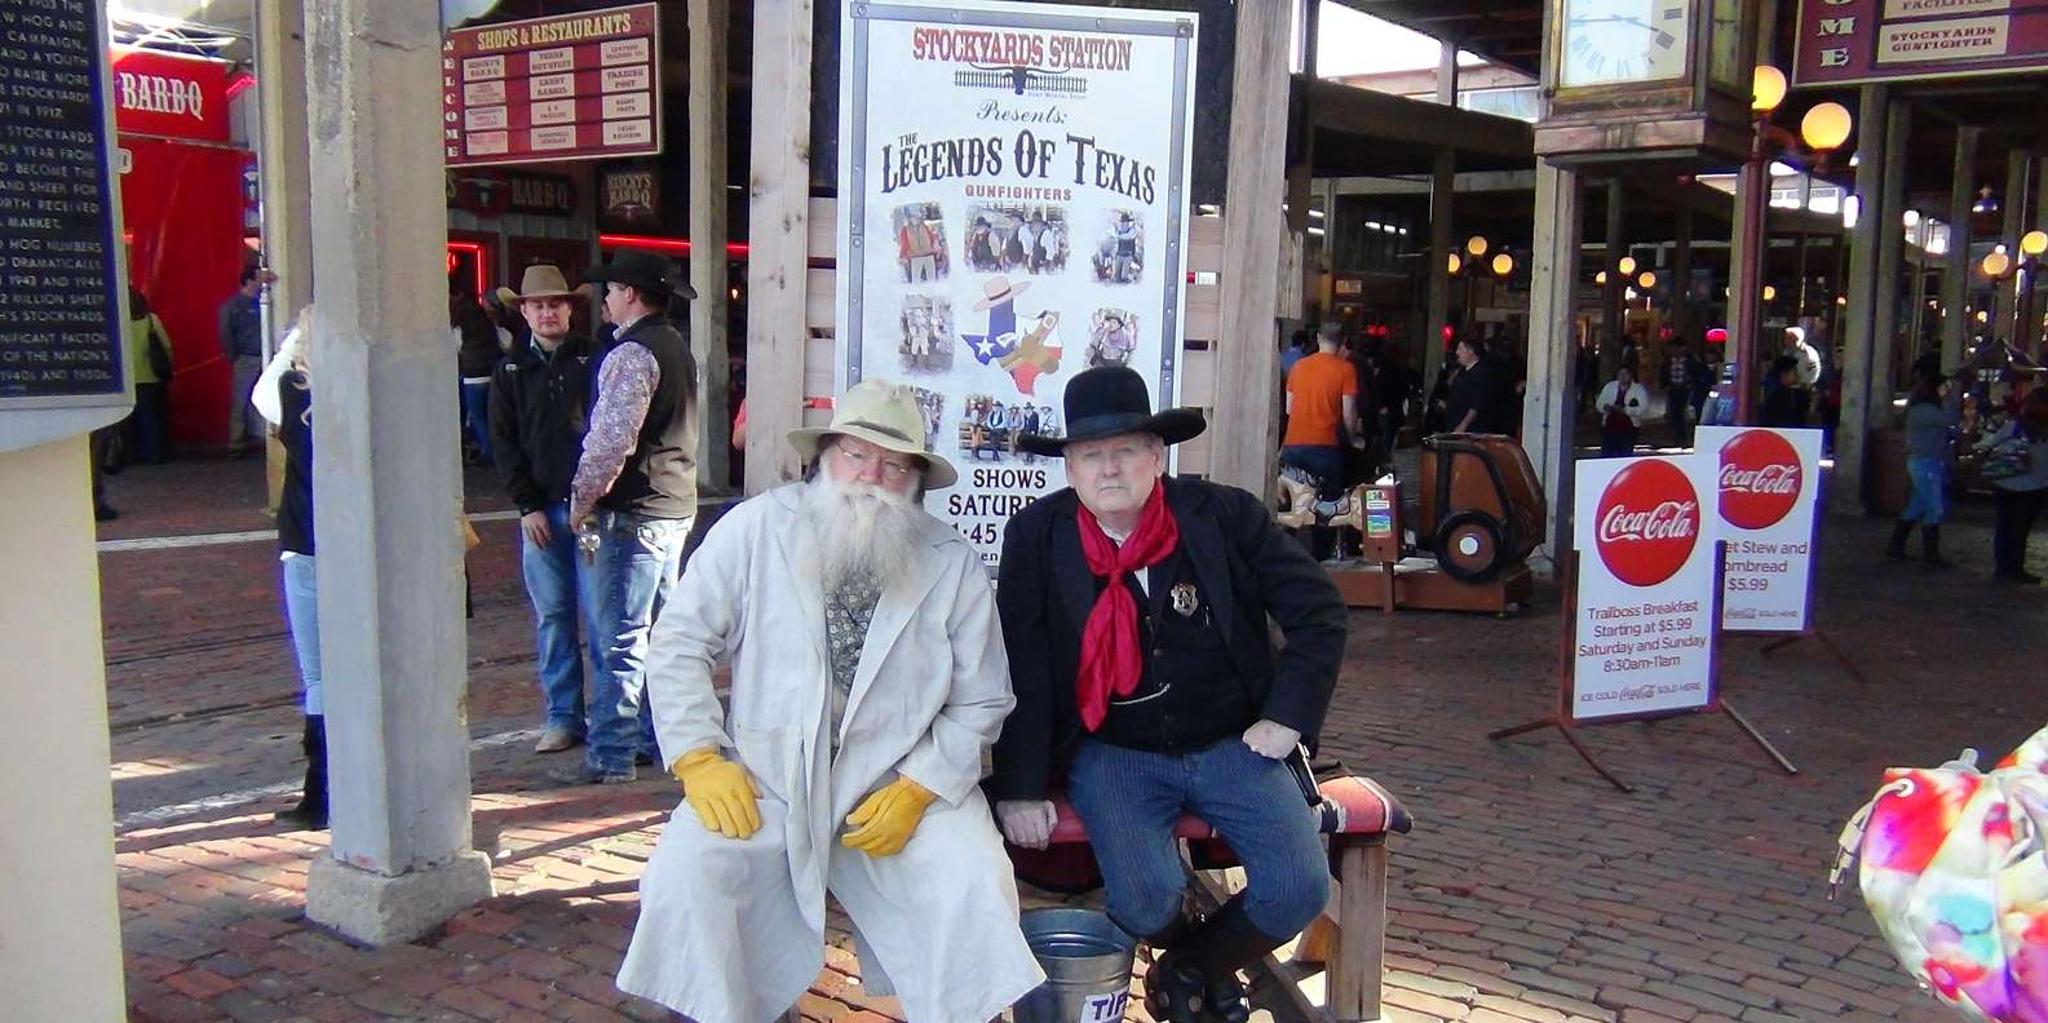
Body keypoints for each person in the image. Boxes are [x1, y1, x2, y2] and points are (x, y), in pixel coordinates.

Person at [615, 380, 1043, 1022]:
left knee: (974, 886)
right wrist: (700, 756)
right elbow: (679, 641)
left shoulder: (950, 561)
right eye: (854, 453)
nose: (871, 475)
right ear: (825, 456)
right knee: (689, 877)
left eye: (893, 464)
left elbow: (983, 699)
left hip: (894, 787)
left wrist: (923, 786)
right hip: (766, 784)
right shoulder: (755, 528)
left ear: (915, 479)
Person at [992, 365, 1347, 1023]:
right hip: (1111, 748)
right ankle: (1196, 962)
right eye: (1090, 455)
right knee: (1143, 902)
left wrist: (1286, 715)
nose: (1108, 469)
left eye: (1124, 450)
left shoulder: (1224, 516)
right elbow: (1024, 663)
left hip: (1230, 740)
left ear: (1157, 456)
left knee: (1300, 889)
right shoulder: (1038, 536)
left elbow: (1319, 612)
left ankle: (1189, 968)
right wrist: (1021, 782)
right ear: (1069, 468)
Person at [551, 250, 701, 785]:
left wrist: (582, 500)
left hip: (634, 512)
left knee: (620, 636)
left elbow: (610, 441)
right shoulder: (675, 347)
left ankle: (611, 754)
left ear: (630, 293)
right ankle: (654, 740)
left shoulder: (632, 354)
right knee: (661, 634)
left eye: (611, 291)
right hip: (673, 502)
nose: (605, 301)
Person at [489, 266, 600, 755]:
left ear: (570, 308)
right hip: (542, 515)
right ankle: (563, 716)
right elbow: (503, 442)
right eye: (538, 305)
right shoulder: (509, 369)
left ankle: (615, 717)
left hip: (592, 510)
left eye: (555, 303)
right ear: (524, 312)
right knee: (553, 617)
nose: (547, 312)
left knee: (602, 620)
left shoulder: (596, 360)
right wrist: (526, 505)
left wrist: (595, 497)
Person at [272, 308, 325, 830]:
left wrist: (293, 344)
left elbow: (258, 397)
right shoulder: (371, 390)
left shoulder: (294, 387)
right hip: (357, 542)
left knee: (318, 674)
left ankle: (321, 791)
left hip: (307, 540)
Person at [1279, 322, 1360, 495]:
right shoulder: (1346, 370)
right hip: (1325, 447)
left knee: (1294, 507)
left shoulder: (1298, 366)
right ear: (1343, 341)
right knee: (1328, 505)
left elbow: (1289, 409)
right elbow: (1349, 414)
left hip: (1292, 446)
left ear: (1318, 338)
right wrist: (1351, 439)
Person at [1889, 358, 1953, 565]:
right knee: (1935, 506)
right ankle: (1930, 554)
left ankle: (1896, 545)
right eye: (1945, 387)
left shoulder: (1921, 408)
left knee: (1917, 505)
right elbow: (1950, 420)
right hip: (1925, 461)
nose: (1947, 391)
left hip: (1925, 460)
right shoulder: (1926, 410)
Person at [1985, 389, 2048, 585]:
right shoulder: (2043, 430)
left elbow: (1992, 444)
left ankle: (2003, 567)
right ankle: (2014, 568)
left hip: (2005, 480)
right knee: (2020, 530)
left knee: (2004, 527)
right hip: (2033, 485)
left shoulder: (2014, 425)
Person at [218, 264, 273, 456]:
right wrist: (233, 354)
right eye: (259, 277)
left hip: (264, 356)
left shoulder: (262, 300)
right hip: (247, 357)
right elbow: (226, 332)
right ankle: (237, 441)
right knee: (241, 399)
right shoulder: (234, 306)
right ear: (249, 280)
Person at [453, 279, 504, 464]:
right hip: (491, 371)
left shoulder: (461, 318)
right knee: (491, 417)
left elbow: (456, 344)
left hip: (473, 375)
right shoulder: (484, 321)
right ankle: (495, 450)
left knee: (477, 416)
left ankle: (488, 453)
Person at [124, 286, 174, 465]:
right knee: (151, 418)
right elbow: (166, 346)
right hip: (150, 375)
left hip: (126, 379)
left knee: (127, 420)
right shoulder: (151, 320)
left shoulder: (117, 321)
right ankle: (154, 453)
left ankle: (130, 454)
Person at [1594, 364, 1649, 457]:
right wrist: (1605, 407)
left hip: (1629, 427)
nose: (1623, 377)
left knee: (1625, 454)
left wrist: (1626, 410)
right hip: (1610, 425)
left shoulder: (1638, 389)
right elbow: (1599, 404)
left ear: (1631, 375)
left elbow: (1644, 408)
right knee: (1607, 453)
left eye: (1626, 374)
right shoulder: (1610, 387)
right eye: (1620, 374)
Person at [1443, 337, 1495, 435]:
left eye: (1461, 349)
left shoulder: (1481, 373)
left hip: (1470, 429)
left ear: (1471, 351)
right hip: (1453, 423)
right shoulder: (1462, 371)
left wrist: (1463, 426)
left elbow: (1476, 404)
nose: (1457, 353)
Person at [1663, 339, 1706, 449]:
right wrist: (1665, 385)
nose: (1675, 351)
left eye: (1678, 348)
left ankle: (1687, 437)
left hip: (1686, 390)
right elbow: (1664, 373)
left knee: (1686, 413)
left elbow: (1697, 373)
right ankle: (1678, 437)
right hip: (1673, 389)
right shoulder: (1667, 361)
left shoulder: (1691, 361)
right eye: (1673, 348)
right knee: (1675, 414)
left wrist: (1692, 384)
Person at [1783, 327, 1822, 424]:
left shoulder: (1809, 354)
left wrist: (1801, 382)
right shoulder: (1787, 352)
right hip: (1787, 391)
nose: (1785, 341)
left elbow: (1814, 373)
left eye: (1788, 338)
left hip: (1802, 391)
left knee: (1799, 420)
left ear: (1795, 339)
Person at [1759, 356, 1804, 428]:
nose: (1797, 375)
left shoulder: (1793, 393)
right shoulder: (1777, 396)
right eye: (1794, 372)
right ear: (1784, 375)